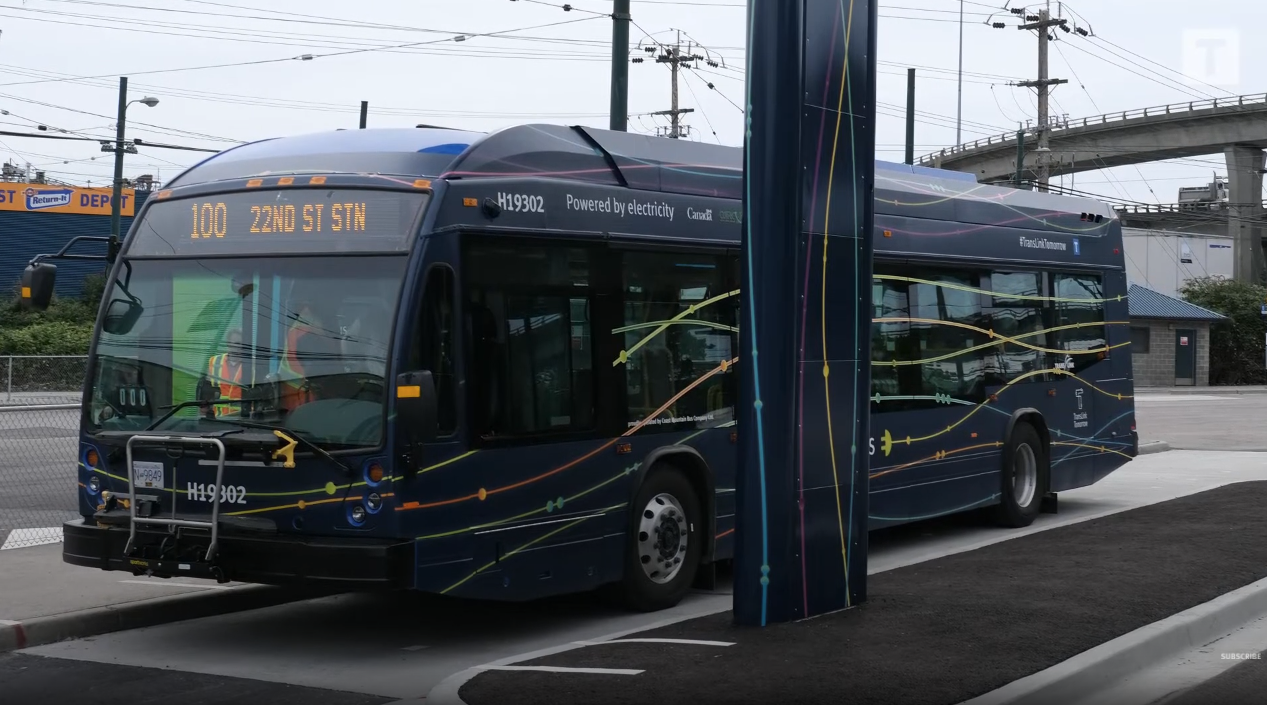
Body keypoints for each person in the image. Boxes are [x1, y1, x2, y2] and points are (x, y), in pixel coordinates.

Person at [207, 327, 245, 418]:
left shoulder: (252, 364)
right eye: (233, 344)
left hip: (243, 420)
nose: (236, 347)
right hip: (219, 420)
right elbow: (206, 393)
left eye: (239, 344)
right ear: (228, 344)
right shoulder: (215, 362)